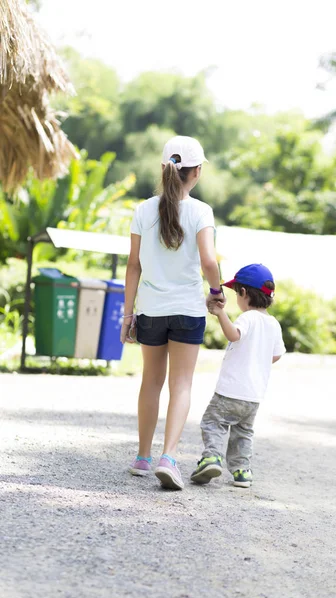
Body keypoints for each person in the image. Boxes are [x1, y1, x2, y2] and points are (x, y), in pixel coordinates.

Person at [121, 135, 225, 491]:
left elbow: (133, 266)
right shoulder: (201, 211)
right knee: (181, 384)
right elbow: (210, 261)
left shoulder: (142, 210)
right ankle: (168, 457)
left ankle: (142, 457)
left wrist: (127, 316)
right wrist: (216, 293)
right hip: (187, 311)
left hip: (150, 310)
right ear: (195, 172)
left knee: (151, 381)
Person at [190, 264, 286, 488]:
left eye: (236, 293)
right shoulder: (273, 324)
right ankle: (242, 471)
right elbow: (276, 355)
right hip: (253, 396)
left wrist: (220, 313)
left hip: (230, 390)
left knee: (213, 422)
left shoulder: (248, 318)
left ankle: (212, 457)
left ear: (244, 293)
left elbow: (234, 335)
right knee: (243, 432)